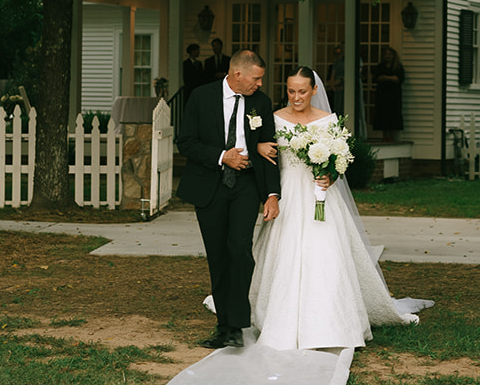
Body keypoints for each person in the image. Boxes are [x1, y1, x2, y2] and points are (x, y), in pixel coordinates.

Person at [248, 68, 429, 351]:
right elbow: (262, 148)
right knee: (285, 254)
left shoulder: (328, 121)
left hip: (320, 197)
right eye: (291, 91)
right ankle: (280, 319)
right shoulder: (275, 119)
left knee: (325, 253)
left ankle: (329, 323)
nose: (296, 97)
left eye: (302, 91)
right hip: (288, 195)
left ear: (314, 91)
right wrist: (259, 147)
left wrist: (330, 175)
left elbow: (338, 161)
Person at [178, 50, 280, 348]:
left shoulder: (261, 103)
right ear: (238, 75)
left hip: (246, 185)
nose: (260, 84)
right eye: (256, 78)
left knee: (240, 250)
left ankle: (236, 326)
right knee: (219, 257)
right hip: (210, 185)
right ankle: (224, 327)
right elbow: (185, 142)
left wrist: (271, 195)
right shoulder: (200, 97)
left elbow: (270, 149)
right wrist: (223, 156)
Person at [372, 46, 405, 142]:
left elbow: (399, 79)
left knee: (393, 115)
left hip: (394, 95)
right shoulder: (380, 66)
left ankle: (393, 138)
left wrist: (386, 78)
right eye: (386, 54)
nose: (387, 56)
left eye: (389, 54)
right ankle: (385, 137)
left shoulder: (398, 67)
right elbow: (377, 78)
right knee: (383, 115)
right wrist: (391, 78)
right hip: (382, 95)